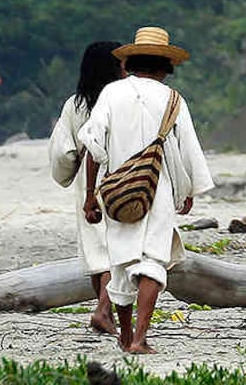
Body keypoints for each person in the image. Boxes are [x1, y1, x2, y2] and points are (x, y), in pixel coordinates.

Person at [77, 26, 214, 354]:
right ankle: (140, 338)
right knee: (152, 261)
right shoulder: (173, 100)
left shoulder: (111, 93)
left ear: (132, 61)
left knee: (122, 262)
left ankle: (124, 338)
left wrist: (90, 195)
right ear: (165, 65)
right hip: (159, 191)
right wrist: (188, 190)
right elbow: (187, 150)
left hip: (117, 191)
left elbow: (93, 144)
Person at [47, 41, 123, 335]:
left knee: (95, 249)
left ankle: (105, 311)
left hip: (86, 179)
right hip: (121, 173)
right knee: (116, 248)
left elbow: (62, 152)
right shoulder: (123, 99)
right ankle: (104, 311)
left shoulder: (74, 105)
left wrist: (70, 172)